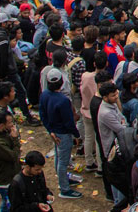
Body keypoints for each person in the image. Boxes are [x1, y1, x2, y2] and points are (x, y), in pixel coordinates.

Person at [38, 68, 82, 199]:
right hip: (63, 133)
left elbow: (42, 114)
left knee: (59, 156)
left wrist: (50, 130)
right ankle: (64, 189)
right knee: (63, 161)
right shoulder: (63, 101)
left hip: (54, 131)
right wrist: (77, 135)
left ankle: (63, 181)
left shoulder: (44, 95)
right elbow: (69, 122)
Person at [0, 110, 22, 211]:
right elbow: (14, 156)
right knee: (8, 205)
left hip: (11, 175)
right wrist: (15, 140)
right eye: (10, 122)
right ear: (2, 125)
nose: (12, 125)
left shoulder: (3, 134)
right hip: (5, 180)